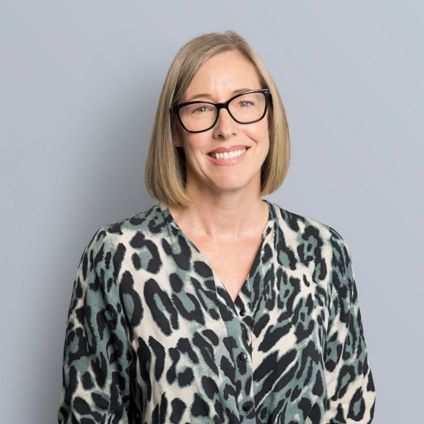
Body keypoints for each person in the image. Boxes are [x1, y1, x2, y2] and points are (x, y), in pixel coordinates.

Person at [57, 30, 376, 423]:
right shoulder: (118, 258)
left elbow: (351, 408)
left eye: (245, 102)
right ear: (175, 130)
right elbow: (89, 413)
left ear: (270, 117)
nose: (226, 127)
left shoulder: (322, 252)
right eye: (201, 108)